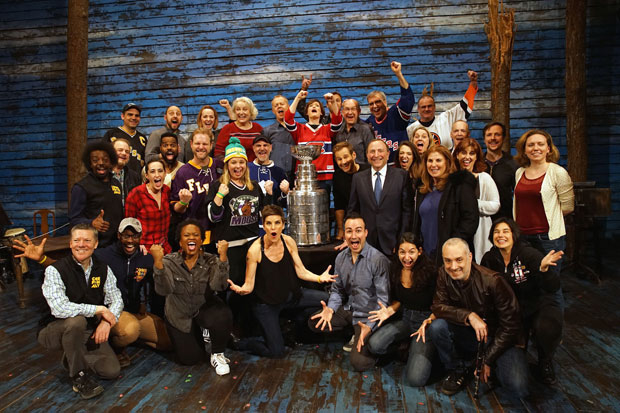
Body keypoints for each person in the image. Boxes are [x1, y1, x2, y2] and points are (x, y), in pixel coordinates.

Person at [14, 219, 172, 368]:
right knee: (130, 330)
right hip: (112, 312)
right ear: (119, 236)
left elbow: (160, 285)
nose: (130, 240)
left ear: (140, 237)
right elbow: (71, 266)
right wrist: (42, 259)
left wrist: (157, 261)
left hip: (135, 311)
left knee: (166, 343)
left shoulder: (145, 257)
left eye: (134, 236)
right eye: (126, 235)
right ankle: (115, 346)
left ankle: (122, 339)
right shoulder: (104, 255)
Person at [228, 205, 336, 358]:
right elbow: (249, 285)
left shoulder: (289, 242)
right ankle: (240, 343)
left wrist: (319, 278)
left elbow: (301, 271)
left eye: (277, 223)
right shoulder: (255, 251)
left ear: (283, 225)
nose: (273, 227)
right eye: (269, 223)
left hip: (291, 297)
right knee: (277, 352)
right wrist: (242, 290)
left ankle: (294, 327)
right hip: (267, 305)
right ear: (264, 225)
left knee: (329, 299)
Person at [428, 238, 528, 398]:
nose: (453, 267)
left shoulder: (493, 281)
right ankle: (458, 369)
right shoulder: (443, 273)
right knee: (437, 327)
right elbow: (438, 306)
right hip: (471, 334)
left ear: (470, 257)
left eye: (459, 260)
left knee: (517, 387)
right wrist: (469, 316)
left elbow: (511, 326)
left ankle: (484, 364)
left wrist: (487, 359)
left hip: (499, 339)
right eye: (448, 261)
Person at [38, 224, 123, 399]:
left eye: (87, 240)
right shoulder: (55, 270)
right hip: (53, 330)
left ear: (96, 244)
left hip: (86, 330)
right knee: (77, 321)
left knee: (111, 371)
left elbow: (116, 299)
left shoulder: (103, 269)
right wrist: (98, 309)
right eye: (77, 240)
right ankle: (79, 376)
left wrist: (107, 321)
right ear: (70, 244)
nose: (81, 244)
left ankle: (70, 356)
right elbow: (59, 308)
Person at [481, 218, 563, 384]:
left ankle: (545, 361)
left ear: (513, 234)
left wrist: (544, 270)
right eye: (496, 232)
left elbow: (553, 286)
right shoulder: (489, 258)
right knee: (515, 370)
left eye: (505, 231)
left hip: (536, 305)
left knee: (546, 327)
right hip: (511, 311)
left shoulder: (528, 254)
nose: (500, 235)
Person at [309, 213, 390, 372]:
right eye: (349, 231)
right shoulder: (340, 258)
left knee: (359, 363)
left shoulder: (377, 259)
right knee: (314, 322)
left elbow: (383, 302)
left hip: (368, 316)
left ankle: (374, 342)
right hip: (349, 310)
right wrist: (331, 309)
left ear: (365, 233)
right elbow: (337, 290)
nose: (354, 235)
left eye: (358, 230)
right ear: (344, 234)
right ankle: (353, 333)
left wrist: (370, 327)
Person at [206, 138, 272, 331]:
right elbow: (213, 217)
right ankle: (230, 328)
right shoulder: (218, 186)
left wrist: (268, 194)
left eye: (241, 162)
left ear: (246, 164)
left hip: (252, 244)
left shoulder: (254, 186)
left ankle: (250, 326)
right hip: (230, 246)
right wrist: (219, 197)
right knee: (230, 289)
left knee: (251, 287)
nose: (238, 166)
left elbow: (265, 214)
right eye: (233, 162)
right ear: (227, 165)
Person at [151, 219, 233, 374]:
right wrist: (158, 263)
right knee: (190, 359)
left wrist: (223, 258)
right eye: (186, 235)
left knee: (223, 313)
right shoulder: (169, 261)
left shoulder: (211, 260)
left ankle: (217, 353)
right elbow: (163, 290)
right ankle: (203, 336)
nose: (191, 238)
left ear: (201, 240)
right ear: (180, 241)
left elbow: (219, 286)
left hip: (203, 310)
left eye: (196, 235)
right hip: (179, 316)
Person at [366, 233, 438, 386]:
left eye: (411, 252)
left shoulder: (431, 271)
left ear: (419, 251)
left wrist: (430, 321)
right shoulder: (395, 269)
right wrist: (389, 310)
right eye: (402, 252)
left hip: (425, 324)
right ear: (396, 252)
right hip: (406, 318)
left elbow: (440, 304)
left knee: (415, 379)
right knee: (374, 345)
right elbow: (400, 300)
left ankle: (424, 352)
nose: (406, 257)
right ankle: (406, 347)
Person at [513, 129, 574, 307]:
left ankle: (554, 333)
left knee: (550, 286)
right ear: (524, 150)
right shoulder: (520, 172)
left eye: (540, 144)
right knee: (527, 283)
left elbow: (568, 206)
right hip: (523, 238)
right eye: (530, 145)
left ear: (548, 148)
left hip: (548, 239)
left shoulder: (557, 172)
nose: (535, 148)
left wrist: (545, 220)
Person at [411, 145, 478, 264]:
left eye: (438, 160)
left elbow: (470, 220)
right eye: (430, 161)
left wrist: (452, 244)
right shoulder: (422, 189)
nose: (433, 165)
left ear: (447, 162)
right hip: (425, 254)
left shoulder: (459, 185)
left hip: (451, 256)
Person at [348, 139, 411, 257]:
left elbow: (407, 212)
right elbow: (353, 211)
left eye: (380, 151)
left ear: (388, 154)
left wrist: (401, 242)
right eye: (372, 151)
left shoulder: (401, 176)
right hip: (366, 245)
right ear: (367, 155)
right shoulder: (358, 179)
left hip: (393, 244)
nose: (376, 155)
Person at [170, 128, 223, 245]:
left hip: (218, 232)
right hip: (194, 234)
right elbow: (175, 208)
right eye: (197, 143)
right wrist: (183, 202)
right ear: (191, 144)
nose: (201, 147)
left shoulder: (219, 166)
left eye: (205, 144)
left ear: (211, 145)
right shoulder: (182, 173)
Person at [286, 89, 343, 197]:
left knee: (323, 209)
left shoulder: (327, 129)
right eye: (311, 106)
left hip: (325, 177)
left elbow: (337, 121)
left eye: (317, 106)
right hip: (304, 177)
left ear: (321, 112)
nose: (314, 107)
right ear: (306, 112)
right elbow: (288, 119)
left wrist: (333, 102)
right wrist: (298, 98)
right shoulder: (299, 129)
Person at [69, 141, 124, 248]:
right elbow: (74, 219)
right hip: (96, 246)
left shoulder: (116, 183)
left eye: (105, 159)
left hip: (117, 245)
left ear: (111, 162)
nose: (100, 163)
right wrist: (91, 223)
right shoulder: (81, 187)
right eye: (95, 160)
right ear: (89, 163)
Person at [453, 138, 500, 262]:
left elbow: (495, 205)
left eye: (471, 153)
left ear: (476, 157)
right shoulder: (452, 179)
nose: (467, 157)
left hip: (480, 232)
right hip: (456, 231)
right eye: (463, 152)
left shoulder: (484, 178)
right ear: (457, 155)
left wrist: (471, 205)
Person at [407, 70, 478, 150]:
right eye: (423, 107)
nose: (427, 109)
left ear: (434, 107)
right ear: (418, 109)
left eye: (429, 106)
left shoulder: (446, 118)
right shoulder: (411, 129)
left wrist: (473, 83)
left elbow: (464, 106)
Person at [365, 61, 415, 162]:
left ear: (385, 102)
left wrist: (398, 74)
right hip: (380, 169)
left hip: (400, 167)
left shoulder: (395, 114)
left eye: (378, 102)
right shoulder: (369, 122)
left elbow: (408, 98)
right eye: (371, 103)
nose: (375, 106)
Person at [125, 159, 172, 254]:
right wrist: (139, 243)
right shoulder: (136, 194)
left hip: (164, 248)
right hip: (144, 249)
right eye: (152, 171)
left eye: (160, 171)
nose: (157, 175)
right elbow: (128, 223)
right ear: (146, 175)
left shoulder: (167, 191)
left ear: (165, 173)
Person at [332, 142, 369, 240]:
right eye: (339, 159)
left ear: (353, 155)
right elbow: (339, 204)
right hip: (352, 220)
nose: (343, 162)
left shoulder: (368, 171)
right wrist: (341, 229)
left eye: (345, 157)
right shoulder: (337, 176)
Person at [483, 121, 519, 221]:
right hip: (480, 219)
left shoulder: (513, 164)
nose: (493, 138)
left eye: (497, 134)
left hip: (504, 219)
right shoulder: (477, 163)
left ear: (503, 138)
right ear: (484, 139)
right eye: (489, 135)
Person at [214, 97, 263, 162]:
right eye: (238, 109)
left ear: (251, 112)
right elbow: (218, 153)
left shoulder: (258, 128)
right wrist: (230, 164)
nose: (241, 112)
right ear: (234, 112)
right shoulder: (227, 129)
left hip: (255, 169)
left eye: (245, 109)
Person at [102, 103, 147, 173]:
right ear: (122, 116)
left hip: (137, 180)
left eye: (137, 115)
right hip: (115, 178)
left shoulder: (142, 139)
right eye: (130, 114)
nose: (134, 118)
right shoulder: (111, 134)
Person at [248, 134, 290, 208]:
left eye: (265, 145)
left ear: (270, 147)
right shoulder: (246, 169)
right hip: (251, 216)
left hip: (272, 216)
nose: (262, 148)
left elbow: (284, 204)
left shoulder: (279, 172)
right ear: (253, 148)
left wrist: (286, 192)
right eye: (258, 146)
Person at [262, 95, 296, 178]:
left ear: (288, 107)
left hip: (296, 176)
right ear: (273, 111)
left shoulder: (299, 129)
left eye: (282, 104)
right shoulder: (267, 131)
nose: (279, 106)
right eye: (276, 105)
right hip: (275, 175)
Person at [334, 99, 375, 164]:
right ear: (342, 112)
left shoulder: (366, 130)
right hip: (343, 172)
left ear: (359, 111)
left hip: (362, 172)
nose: (350, 112)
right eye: (347, 109)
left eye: (353, 109)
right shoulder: (339, 131)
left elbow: (372, 156)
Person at [111, 138, 141, 206]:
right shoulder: (102, 176)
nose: (124, 153)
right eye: (120, 150)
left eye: (127, 151)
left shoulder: (134, 177)